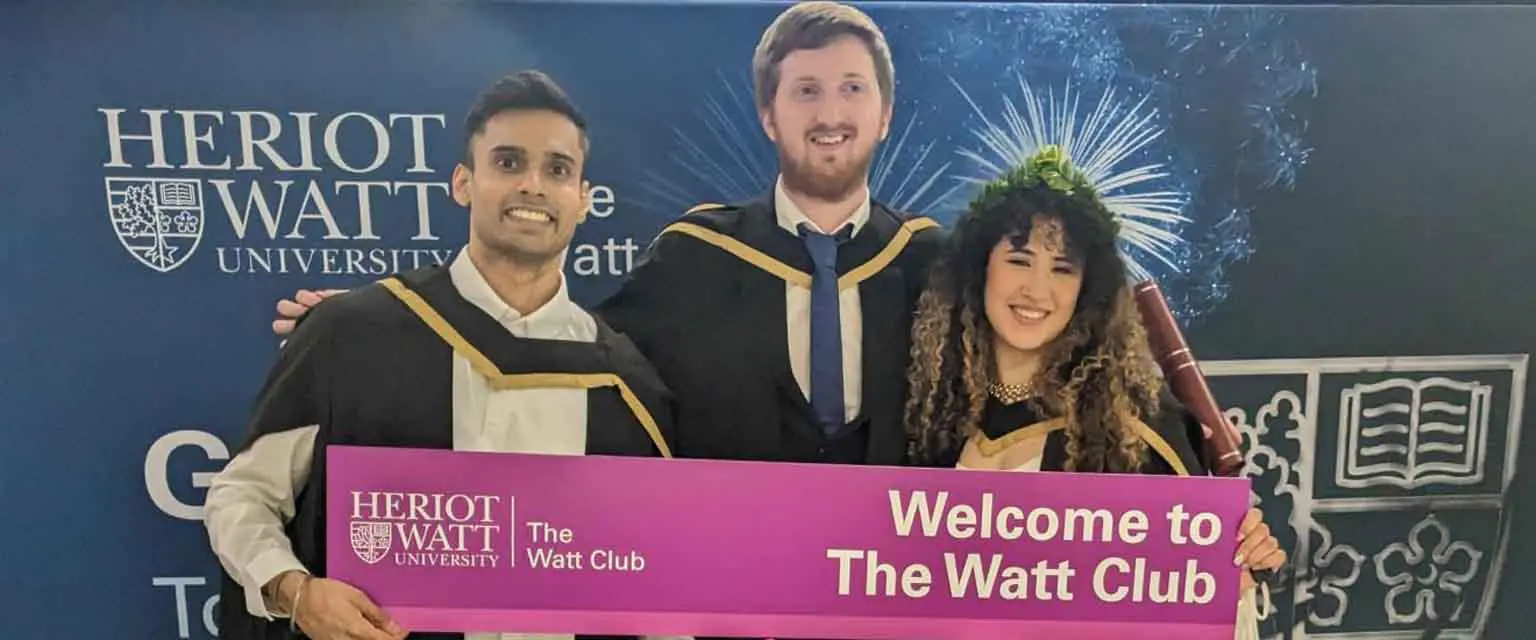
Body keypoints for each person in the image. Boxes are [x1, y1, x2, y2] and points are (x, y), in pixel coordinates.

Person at [272, 2, 944, 469]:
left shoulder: (935, 267)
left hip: (891, 584)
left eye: (851, 88)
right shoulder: (695, 258)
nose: (830, 113)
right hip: (730, 588)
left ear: (885, 113)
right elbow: (566, 348)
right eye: (806, 91)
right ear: (769, 114)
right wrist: (384, 327)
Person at [204, 70, 677, 640]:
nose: (532, 185)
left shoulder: (624, 382)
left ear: (582, 200)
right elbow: (244, 494)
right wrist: (296, 591)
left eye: (557, 170)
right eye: (508, 162)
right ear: (463, 183)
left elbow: (652, 579)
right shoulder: (355, 334)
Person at [901, 145, 1285, 638]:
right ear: (981, 268)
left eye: (1062, 268)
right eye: (1019, 260)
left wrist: (1235, 556)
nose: (1037, 290)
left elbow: (1191, 594)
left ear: (1088, 288)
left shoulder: (1137, 429)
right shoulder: (931, 412)